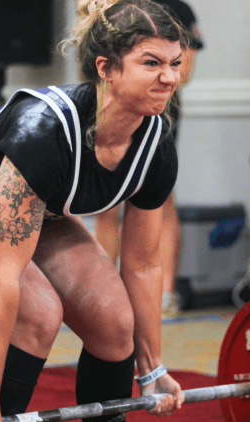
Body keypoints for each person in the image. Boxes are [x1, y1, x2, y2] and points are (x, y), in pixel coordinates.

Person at [0, 1, 189, 422]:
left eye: (175, 62)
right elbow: (3, 277)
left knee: (114, 323)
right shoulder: (45, 131)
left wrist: (150, 371)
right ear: (106, 68)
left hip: (38, 206)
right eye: (151, 63)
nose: (169, 77)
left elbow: (144, 265)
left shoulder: (156, 143)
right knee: (36, 311)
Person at [94, 0, 203, 317]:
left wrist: (145, 79)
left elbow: (185, 69)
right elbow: (94, 65)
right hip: (112, 110)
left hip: (160, 114)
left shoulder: (179, 9)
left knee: (161, 201)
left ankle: (164, 293)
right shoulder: (111, 9)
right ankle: (100, 291)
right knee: (106, 204)